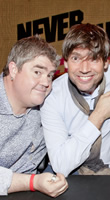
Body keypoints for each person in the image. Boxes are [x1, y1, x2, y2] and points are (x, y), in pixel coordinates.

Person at [40, 23, 110, 177]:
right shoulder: (52, 94)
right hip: (66, 169)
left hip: (108, 167)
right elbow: (61, 166)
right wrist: (99, 115)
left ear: (106, 62)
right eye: (76, 58)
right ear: (65, 62)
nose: (84, 68)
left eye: (94, 59)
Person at [0, 35, 68, 196]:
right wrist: (32, 182)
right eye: (37, 72)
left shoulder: (46, 102)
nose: (46, 82)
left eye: (50, 75)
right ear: (14, 69)